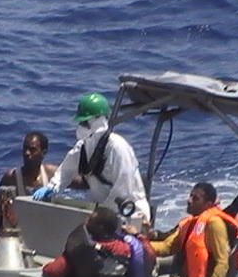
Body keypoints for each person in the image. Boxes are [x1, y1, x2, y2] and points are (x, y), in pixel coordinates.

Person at [142, 145, 238, 277]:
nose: (189, 200)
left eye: (195, 198)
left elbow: (222, 263)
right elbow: (167, 245)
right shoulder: (191, 223)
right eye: (190, 196)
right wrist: (139, 243)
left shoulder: (215, 223)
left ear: (209, 204)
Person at [33, 93, 151, 221]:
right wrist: (51, 188)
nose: (80, 126)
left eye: (84, 122)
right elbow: (66, 171)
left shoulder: (118, 148)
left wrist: (102, 215)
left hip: (130, 214)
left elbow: (123, 190)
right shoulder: (83, 147)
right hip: (103, 215)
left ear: (97, 120)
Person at [42, 206, 155, 277]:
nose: (86, 222)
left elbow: (52, 271)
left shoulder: (81, 249)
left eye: (90, 220)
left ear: (100, 228)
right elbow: (149, 255)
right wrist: (138, 236)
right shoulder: (125, 249)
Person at [0, 132, 58, 228]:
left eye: (32, 150)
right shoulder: (11, 177)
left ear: (43, 152)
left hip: (45, 230)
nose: (27, 153)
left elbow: (82, 183)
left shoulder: (52, 173)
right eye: (25, 148)